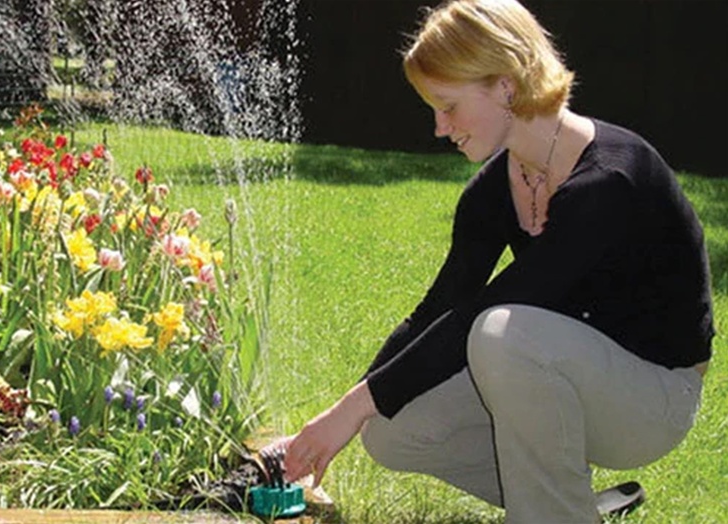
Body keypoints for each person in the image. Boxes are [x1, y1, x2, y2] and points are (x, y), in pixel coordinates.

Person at [267, 0, 715, 522]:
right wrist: (345, 415)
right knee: (392, 430)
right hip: (561, 376)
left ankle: (551, 511)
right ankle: (566, 503)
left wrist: (350, 409)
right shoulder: (495, 189)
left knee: (500, 332)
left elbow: (494, 310)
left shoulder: (610, 181)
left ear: (505, 85)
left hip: (654, 398)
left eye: (448, 105)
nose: (439, 127)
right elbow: (438, 310)